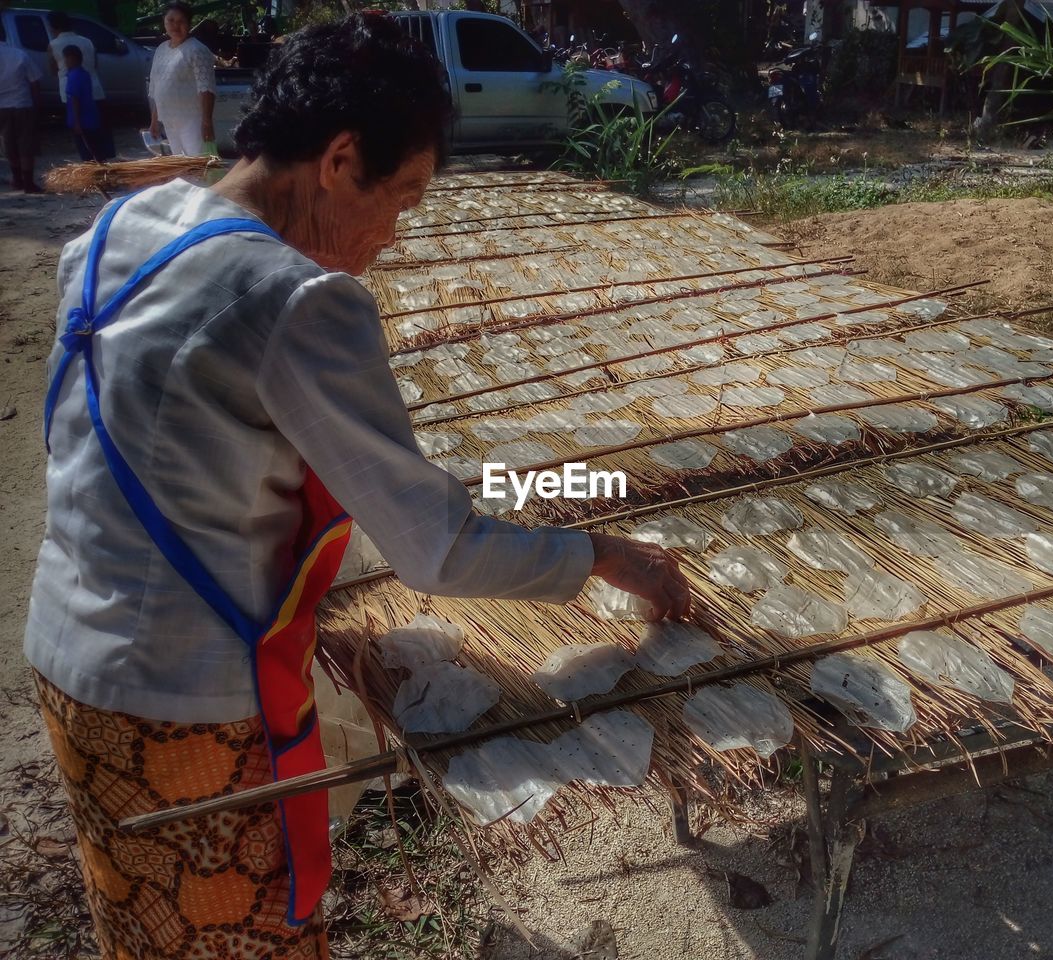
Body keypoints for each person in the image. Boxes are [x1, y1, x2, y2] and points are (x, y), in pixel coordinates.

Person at [29, 13, 691, 959]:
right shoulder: (297, 299)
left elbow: (163, 457)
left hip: (69, 666)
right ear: (339, 159)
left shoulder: (122, 227)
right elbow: (440, 547)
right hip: (181, 707)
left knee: (145, 933)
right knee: (244, 941)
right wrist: (606, 554)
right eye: (404, 196)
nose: (394, 234)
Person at [147, 0, 215, 156]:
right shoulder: (161, 49)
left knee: (198, 166)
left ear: (189, 24)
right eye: (171, 20)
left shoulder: (197, 50)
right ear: (164, 22)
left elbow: (206, 88)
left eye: (181, 21)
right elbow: (157, 88)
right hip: (170, 121)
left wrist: (206, 122)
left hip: (192, 122)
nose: (175, 26)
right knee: (180, 165)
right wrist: (154, 120)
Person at [0, 39, 41, 193]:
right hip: (22, 103)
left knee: (8, 144)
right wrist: (37, 105)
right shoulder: (19, 54)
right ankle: (28, 182)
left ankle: (17, 179)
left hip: (1, 107)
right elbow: (34, 81)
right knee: (26, 145)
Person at [63, 44, 116, 161]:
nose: (65, 62)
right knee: (95, 149)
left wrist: (76, 121)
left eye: (66, 58)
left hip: (83, 120)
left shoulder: (75, 76)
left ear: (72, 58)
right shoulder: (84, 73)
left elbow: (75, 99)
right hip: (90, 118)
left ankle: (96, 173)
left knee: (88, 151)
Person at [47, 11, 105, 106]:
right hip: (93, 90)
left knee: (75, 119)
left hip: (70, 93)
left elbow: (53, 71)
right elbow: (95, 65)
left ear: (53, 27)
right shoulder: (88, 42)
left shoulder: (53, 45)